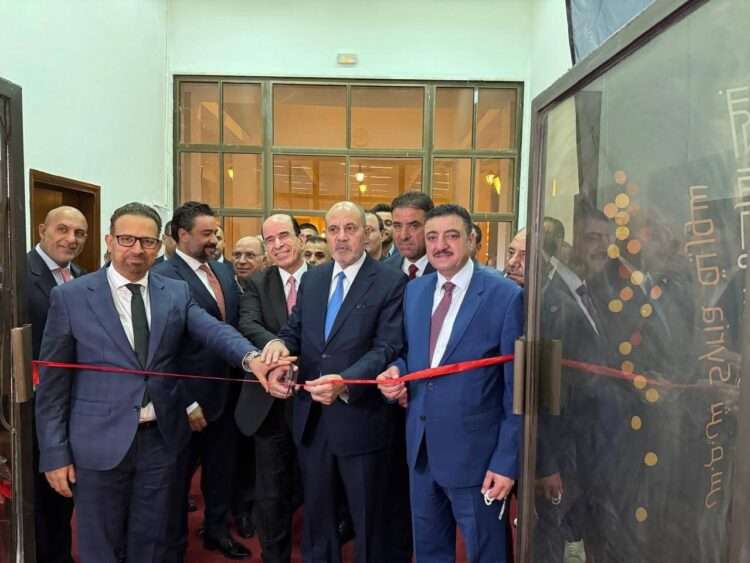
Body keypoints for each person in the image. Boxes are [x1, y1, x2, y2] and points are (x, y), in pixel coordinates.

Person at [35, 202, 289, 563]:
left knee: (154, 543)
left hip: (161, 441)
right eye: (127, 239)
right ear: (109, 240)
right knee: (101, 547)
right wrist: (54, 453)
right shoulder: (71, 297)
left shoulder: (175, 292)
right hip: (97, 444)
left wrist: (253, 359)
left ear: (159, 245)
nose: (137, 249)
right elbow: (53, 385)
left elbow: (214, 331)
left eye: (147, 241)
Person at [377, 203, 523, 563]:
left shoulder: (505, 296)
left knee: (487, 555)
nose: (440, 245)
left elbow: (516, 390)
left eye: (451, 236)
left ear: (471, 240)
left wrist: (506, 462)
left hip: (478, 461)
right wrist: (396, 371)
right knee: (429, 553)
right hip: (421, 451)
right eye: (432, 237)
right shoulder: (415, 291)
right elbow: (411, 356)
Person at [263, 201, 407, 563]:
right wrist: (279, 346)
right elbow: (295, 330)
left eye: (350, 229)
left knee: (367, 519)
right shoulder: (314, 278)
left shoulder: (390, 281)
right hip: (312, 418)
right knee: (317, 516)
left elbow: (388, 346)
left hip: (361, 418)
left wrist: (347, 381)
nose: (341, 237)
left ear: (367, 233)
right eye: (333, 230)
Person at [152, 201, 251, 560]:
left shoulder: (222, 271)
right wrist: (187, 400)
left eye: (216, 232)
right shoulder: (161, 276)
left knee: (221, 470)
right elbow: (162, 349)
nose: (214, 240)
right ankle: (174, 545)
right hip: (186, 400)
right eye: (206, 233)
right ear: (182, 235)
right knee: (177, 479)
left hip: (227, 393)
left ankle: (217, 531)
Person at [234, 214, 307, 563]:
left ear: (301, 239)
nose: (278, 245)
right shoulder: (258, 282)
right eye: (270, 240)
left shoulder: (324, 279)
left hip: (314, 399)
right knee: (270, 489)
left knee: (315, 483)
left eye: (284, 236)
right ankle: (274, 556)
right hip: (268, 402)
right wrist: (277, 347)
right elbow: (247, 323)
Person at [26, 205, 88, 563]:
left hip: (71, 403)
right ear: (42, 230)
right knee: (39, 494)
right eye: (62, 229)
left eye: (79, 233)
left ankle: (61, 554)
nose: (71, 239)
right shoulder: (20, 274)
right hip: (31, 403)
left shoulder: (79, 275)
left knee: (64, 490)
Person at [383, 191, 435, 279]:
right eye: (397, 226)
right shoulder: (385, 269)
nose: (404, 236)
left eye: (414, 226)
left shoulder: (446, 269)